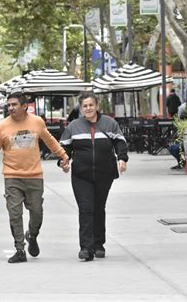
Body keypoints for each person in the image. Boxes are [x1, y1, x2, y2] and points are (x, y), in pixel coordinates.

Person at [0, 92, 69, 263]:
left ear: (24, 106)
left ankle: (32, 236)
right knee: (15, 214)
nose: (10, 108)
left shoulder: (37, 122)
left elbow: (50, 141)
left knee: (37, 213)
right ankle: (20, 249)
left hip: (34, 176)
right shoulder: (2, 126)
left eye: (14, 105)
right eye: (9, 105)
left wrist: (63, 156)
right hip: (12, 177)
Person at [59, 91, 128, 261]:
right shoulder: (73, 126)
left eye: (91, 105)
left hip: (105, 174)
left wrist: (122, 159)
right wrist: (64, 161)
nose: (88, 108)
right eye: (85, 106)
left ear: (97, 106)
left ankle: (99, 244)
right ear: (81, 108)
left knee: (98, 208)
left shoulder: (110, 123)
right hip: (81, 175)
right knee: (86, 209)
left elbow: (120, 142)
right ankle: (86, 248)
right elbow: (64, 148)